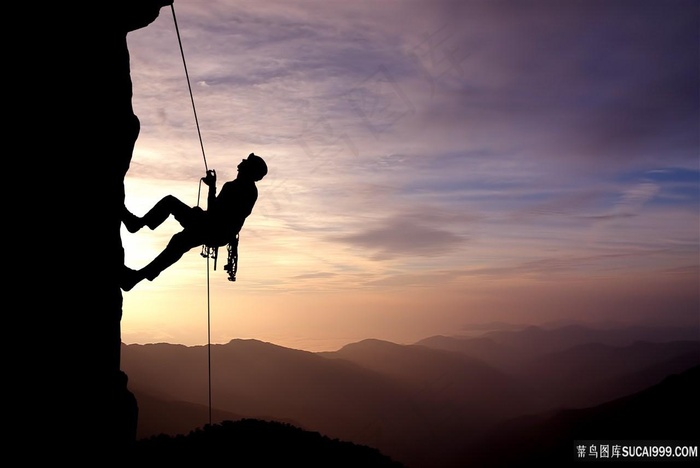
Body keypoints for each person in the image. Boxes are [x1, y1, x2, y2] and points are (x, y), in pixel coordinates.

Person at [121, 153, 268, 291]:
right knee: (178, 241)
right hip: (217, 232)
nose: (242, 162)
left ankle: (137, 227)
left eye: (246, 162)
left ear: (250, 170)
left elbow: (215, 212)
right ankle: (136, 277)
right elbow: (222, 214)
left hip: (212, 229)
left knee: (171, 208)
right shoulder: (248, 190)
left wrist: (212, 187)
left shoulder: (236, 188)